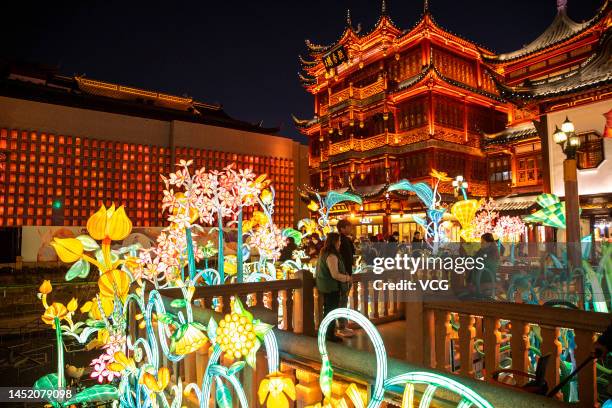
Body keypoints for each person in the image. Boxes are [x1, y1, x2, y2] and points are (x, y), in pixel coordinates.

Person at [315, 232, 351, 342]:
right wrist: (347, 278)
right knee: (331, 311)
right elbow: (335, 274)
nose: (340, 243)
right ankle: (329, 334)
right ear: (334, 242)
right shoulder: (331, 256)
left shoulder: (323, 253)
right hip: (331, 287)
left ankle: (328, 333)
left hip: (326, 286)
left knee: (329, 310)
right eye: (339, 241)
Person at [336, 219, 356, 337]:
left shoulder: (346, 240)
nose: (351, 229)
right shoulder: (340, 241)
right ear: (342, 228)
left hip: (346, 274)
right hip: (343, 275)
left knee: (343, 300)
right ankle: (341, 326)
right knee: (342, 300)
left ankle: (342, 325)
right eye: (349, 227)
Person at [471, 232, 500, 297]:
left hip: (483, 280)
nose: (481, 244)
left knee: (461, 289)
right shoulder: (493, 251)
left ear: (489, 243)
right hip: (490, 279)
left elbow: (478, 262)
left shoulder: (486, 252)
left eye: (482, 242)